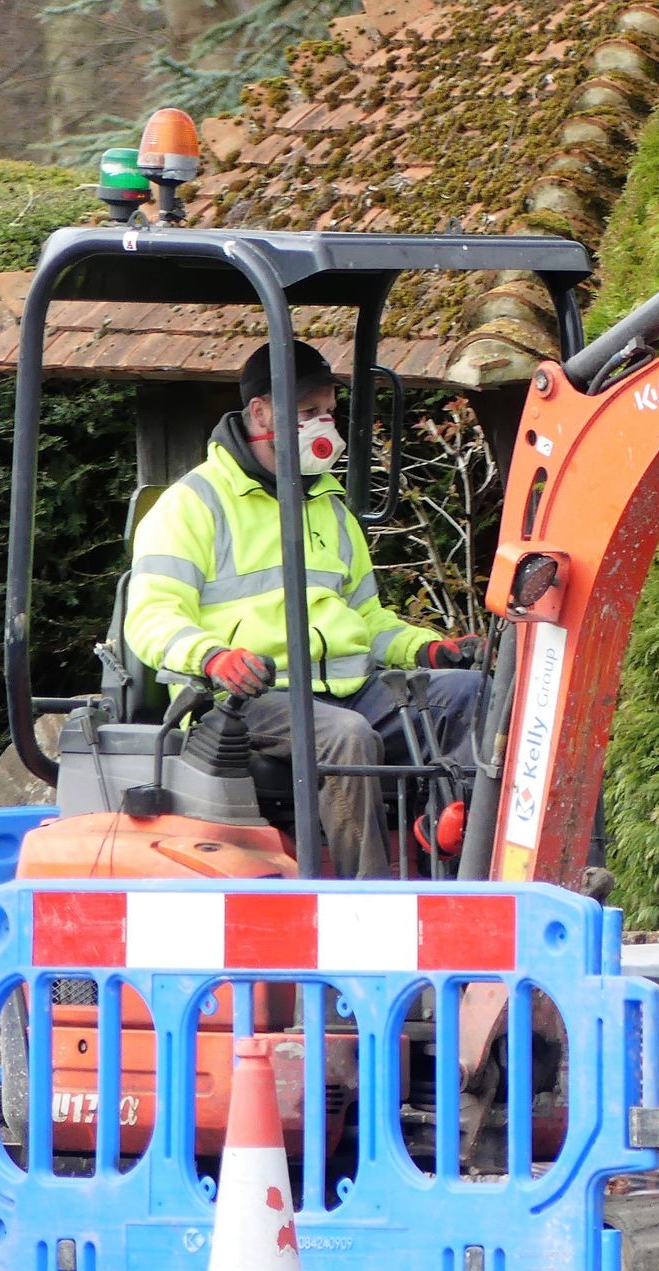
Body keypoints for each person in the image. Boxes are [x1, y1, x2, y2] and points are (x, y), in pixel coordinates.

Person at [124, 340, 487, 877]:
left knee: (472, 695)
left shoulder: (331, 510)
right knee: (345, 737)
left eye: (328, 412)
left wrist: (427, 648)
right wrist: (214, 657)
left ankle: (447, 851)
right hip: (243, 699)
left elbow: (367, 622)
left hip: (347, 692)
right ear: (260, 412)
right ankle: (366, 900)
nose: (324, 425)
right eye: (307, 413)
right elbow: (151, 618)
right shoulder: (192, 505)